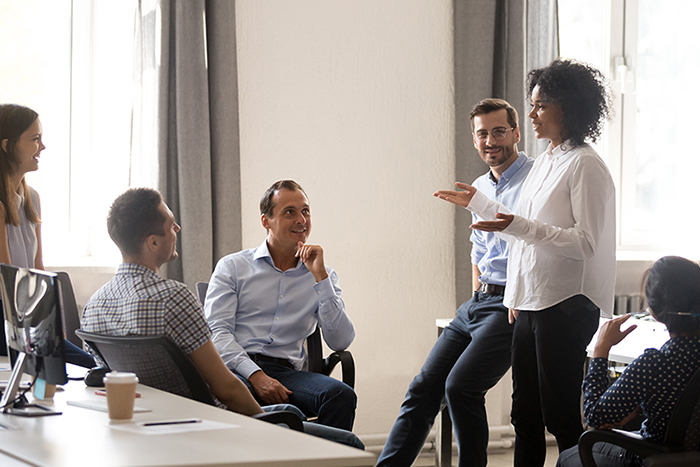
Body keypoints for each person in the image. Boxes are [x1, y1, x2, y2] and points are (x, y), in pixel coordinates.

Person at [435, 59, 616, 467]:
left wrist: (518, 225)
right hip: (530, 304)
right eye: (531, 105)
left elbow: (585, 243)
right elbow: (521, 231)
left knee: (562, 418)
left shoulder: (585, 164)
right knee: (525, 416)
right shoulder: (549, 159)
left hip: (566, 305)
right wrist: (480, 204)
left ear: (567, 107)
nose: (531, 114)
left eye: (539, 106)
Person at [80, 187, 363, 448]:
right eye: (170, 224)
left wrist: (321, 278)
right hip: (220, 396)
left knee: (332, 399)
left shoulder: (93, 306)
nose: (177, 228)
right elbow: (225, 384)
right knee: (347, 443)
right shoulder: (183, 292)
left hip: (150, 428)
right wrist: (272, 420)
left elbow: (99, 378)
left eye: (305, 210)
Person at [377, 99, 534, 467]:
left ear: (516, 133)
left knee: (461, 387)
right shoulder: (479, 186)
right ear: (474, 139)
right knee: (422, 389)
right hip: (478, 303)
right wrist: (475, 295)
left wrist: (514, 296)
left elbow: (535, 243)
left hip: (513, 304)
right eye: (482, 133)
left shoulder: (536, 180)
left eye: (498, 131)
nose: (490, 140)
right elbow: (478, 252)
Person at [204, 180, 356, 431]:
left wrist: (321, 279)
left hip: (287, 374)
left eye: (305, 211)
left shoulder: (323, 274)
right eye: (290, 212)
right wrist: (256, 375)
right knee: (288, 414)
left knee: (341, 396)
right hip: (236, 370)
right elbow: (217, 334)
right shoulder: (233, 267)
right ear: (266, 220)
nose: (301, 219)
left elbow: (341, 342)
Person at [557, 256, 700, 467]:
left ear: (654, 310)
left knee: (567, 458)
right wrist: (639, 408)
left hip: (653, 455)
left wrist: (601, 350)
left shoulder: (654, 363)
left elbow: (595, 417)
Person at [0, 103, 94, 368]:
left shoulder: (33, 200)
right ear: (7, 146)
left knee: (90, 367)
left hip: (26, 315)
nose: (42, 146)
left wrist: (54, 326)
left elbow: (37, 269)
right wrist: (44, 331)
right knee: (83, 367)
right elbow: (6, 281)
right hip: (7, 315)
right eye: (35, 139)